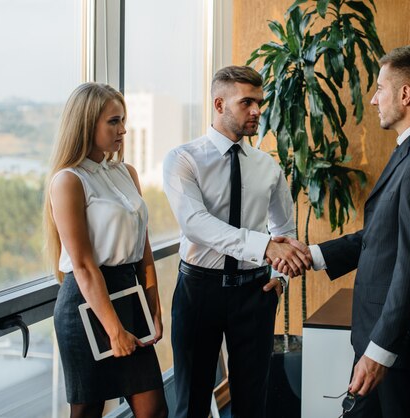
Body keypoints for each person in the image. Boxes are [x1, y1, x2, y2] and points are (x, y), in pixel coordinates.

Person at [273, 46, 410, 417]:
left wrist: (379, 354)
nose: (374, 100)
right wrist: (310, 255)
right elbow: (378, 236)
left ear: (406, 94)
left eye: (380, 88)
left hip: (395, 349)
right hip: (382, 342)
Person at [162, 65, 310, 418]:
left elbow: (285, 230)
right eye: (247, 102)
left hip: (255, 293)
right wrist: (264, 246)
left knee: (252, 405)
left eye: (259, 102)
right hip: (199, 291)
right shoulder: (183, 159)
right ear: (219, 104)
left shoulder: (267, 166)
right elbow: (196, 224)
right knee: (190, 405)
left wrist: (282, 277)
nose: (257, 111)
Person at [43, 82, 168, 418]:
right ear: (87, 124)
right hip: (86, 305)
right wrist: (114, 330)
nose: (123, 130)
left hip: (129, 295)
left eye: (123, 120)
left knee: (153, 410)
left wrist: (153, 308)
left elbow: (144, 248)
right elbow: (83, 266)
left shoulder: (126, 172)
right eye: (113, 121)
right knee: (88, 411)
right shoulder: (68, 180)